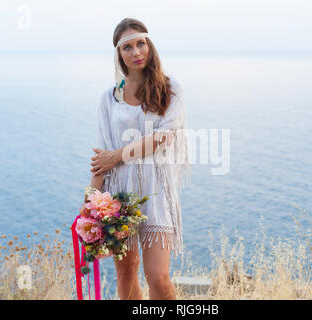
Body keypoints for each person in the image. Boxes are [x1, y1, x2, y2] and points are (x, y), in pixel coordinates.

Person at [87, 18, 190, 300]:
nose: (136, 52)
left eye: (140, 43)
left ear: (150, 45)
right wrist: (90, 204)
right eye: (127, 47)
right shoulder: (109, 99)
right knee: (126, 273)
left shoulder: (171, 88)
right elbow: (101, 156)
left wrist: (118, 155)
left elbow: (164, 137)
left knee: (158, 278)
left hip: (157, 194)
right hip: (119, 196)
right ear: (119, 54)